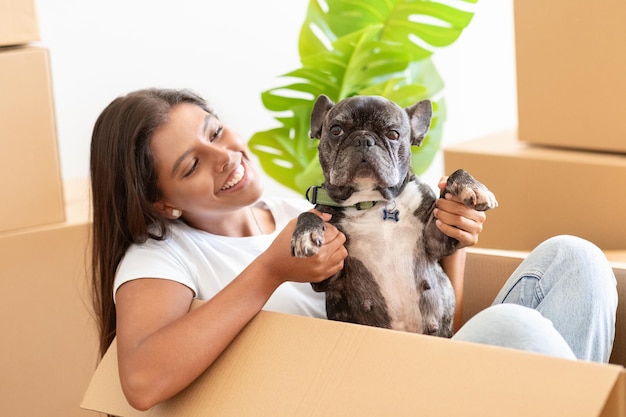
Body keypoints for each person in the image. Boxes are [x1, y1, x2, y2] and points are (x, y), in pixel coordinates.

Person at [89, 88, 617, 411]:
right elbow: (140, 381)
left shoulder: (295, 204)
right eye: (191, 164)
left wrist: (448, 238)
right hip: (368, 397)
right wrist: (271, 270)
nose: (225, 157)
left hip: (427, 366)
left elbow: (436, 318)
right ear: (161, 202)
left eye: (216, 132)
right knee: (514, 333)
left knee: (578, 259)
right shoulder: (163, 256)